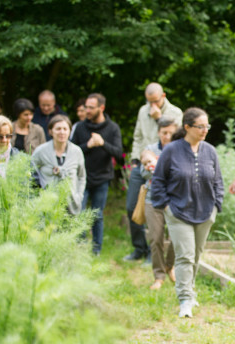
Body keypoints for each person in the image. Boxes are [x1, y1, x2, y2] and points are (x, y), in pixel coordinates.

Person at [151, 107, 224, 318]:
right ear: (187, 127)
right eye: (200, 126)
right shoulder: (171, 150)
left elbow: (218, 180)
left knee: (196, 256)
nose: (205, 130)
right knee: (185, 256)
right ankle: (184, 299)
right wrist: (166, 207)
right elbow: (158, 181)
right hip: (178, 213)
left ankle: (190, 293)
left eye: (206, 126)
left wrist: (216, 206)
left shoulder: (210, 150)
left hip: (205, 212)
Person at [125, 82, 183, 262]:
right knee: (131, 207)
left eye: (156, 101)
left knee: (159, 210)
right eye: (149, 101)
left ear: (163, 96)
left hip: (166, 167)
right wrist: (135, 161)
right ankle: (139, 248)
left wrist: (159, 117)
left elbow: (176, 137)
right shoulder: (143, 111)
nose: (152, 106)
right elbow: (137, 137)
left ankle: (154, 254)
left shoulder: (175, 112)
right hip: (142, 165)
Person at [72, 93, 123, 255]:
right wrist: (88, 145)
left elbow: (119, 154)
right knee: (79, 213)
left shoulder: (112, 128)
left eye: (90, 107)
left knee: (97, 215)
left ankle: (96, 250)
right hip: (82, 178)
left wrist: (102, 143)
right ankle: (80, 247)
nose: (87, 110)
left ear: (101, 108)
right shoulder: (80, 127)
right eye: (86, 107)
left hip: (102, 178)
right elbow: (71, 151)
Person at [140, 117, 178, 290]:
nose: (167, 136)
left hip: (175, 200)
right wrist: (152, 167)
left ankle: (170, 266)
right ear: (158, 133)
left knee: (177, 237)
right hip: (152, 200)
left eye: (171, 132)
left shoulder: (179, 149)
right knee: (156, 238)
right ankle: (159, 276)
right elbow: (143, 173)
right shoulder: (149, 150)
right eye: (164, 133)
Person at [31, 115, 86, 215]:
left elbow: (81, 176)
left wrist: (79, 196)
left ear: (69, 131)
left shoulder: (76, 151)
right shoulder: (41, 151)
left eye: (65, 129)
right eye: (58, 129)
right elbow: (30, 174)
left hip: (71, 205)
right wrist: (38, 196)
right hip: (47, 206)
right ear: (50, 131)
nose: (62, 132)